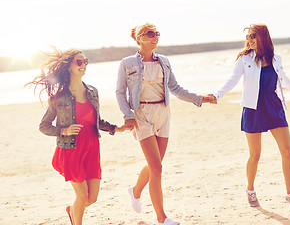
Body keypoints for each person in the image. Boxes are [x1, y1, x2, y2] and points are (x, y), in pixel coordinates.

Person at [116, 23, 213, 225]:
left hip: (164, 113)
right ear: (139, 38)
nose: (155, 37)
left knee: (156, 164)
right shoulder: (127, 63)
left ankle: (135, 191)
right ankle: (162, 218)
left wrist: (199, 98)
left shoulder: (165, 61)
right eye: (150, 34)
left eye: (157, 34)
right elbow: (120, 92)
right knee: (157, 168)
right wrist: (127, 115)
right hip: (141, 114)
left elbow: (175, 88)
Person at [211, 24, 290, 211]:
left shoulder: (276, 58)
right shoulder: (244, 59)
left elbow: (284, 78)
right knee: (255, 155)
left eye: (253, 35)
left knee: (287, 151)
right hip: (253, 108)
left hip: (273, 105)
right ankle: (250, 190)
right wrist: (217, 95)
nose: (250, 39)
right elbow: (232, 79)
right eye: (248, 36)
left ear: (263, 37)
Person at [26, 47, 127, 225]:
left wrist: (116, 128)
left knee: (92, 198)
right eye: (79, 62)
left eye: (85, 61)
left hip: (92, 147)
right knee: (81, 196)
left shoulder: (93, 92)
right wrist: (63, 131)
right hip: (71, 149)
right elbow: (44, 126)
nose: (83, 65)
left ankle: (72, 211)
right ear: (69, 67)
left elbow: (96, 120)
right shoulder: (59, 97)